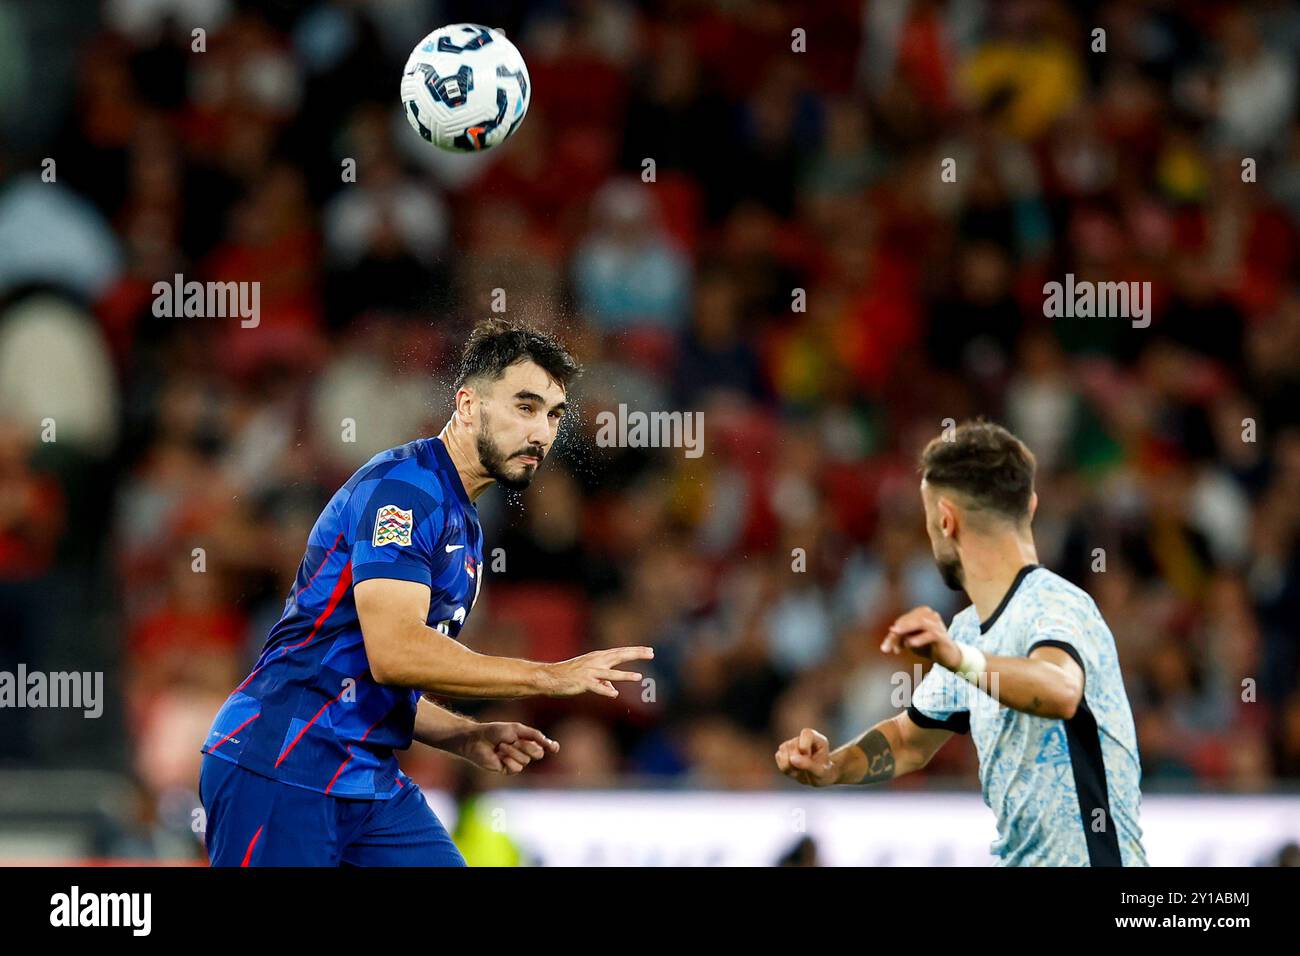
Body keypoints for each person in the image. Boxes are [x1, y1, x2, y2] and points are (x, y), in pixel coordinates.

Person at [199, 318, 653, 866]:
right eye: (525, 407)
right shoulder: (406, 490)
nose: (542, 433)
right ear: (466, 405)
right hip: (282, 762)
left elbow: (368, 677)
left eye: (554, 415)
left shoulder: (465, 523)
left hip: (364, 777)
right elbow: (397, 654)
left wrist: (462, 735)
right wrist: (548, 676)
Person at [776, 421, 1148, 866]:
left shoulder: (1055, 604)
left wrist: (957, 659)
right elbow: (907, 741)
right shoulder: (971, 630)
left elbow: (1061, 690)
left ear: (946, 520)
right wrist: (832, 766)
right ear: (1029, 505)